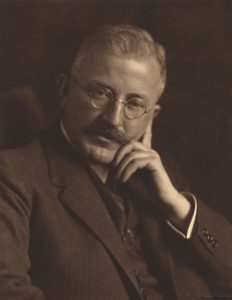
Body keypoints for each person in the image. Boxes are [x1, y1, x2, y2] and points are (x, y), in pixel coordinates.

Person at [0, 24, 231, 300]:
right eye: (100, 93)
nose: (113, 119)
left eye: (134, 104)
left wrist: (177, 205)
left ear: (152, 117)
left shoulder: (163, 174)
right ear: (64, 91)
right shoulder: (15, 174)